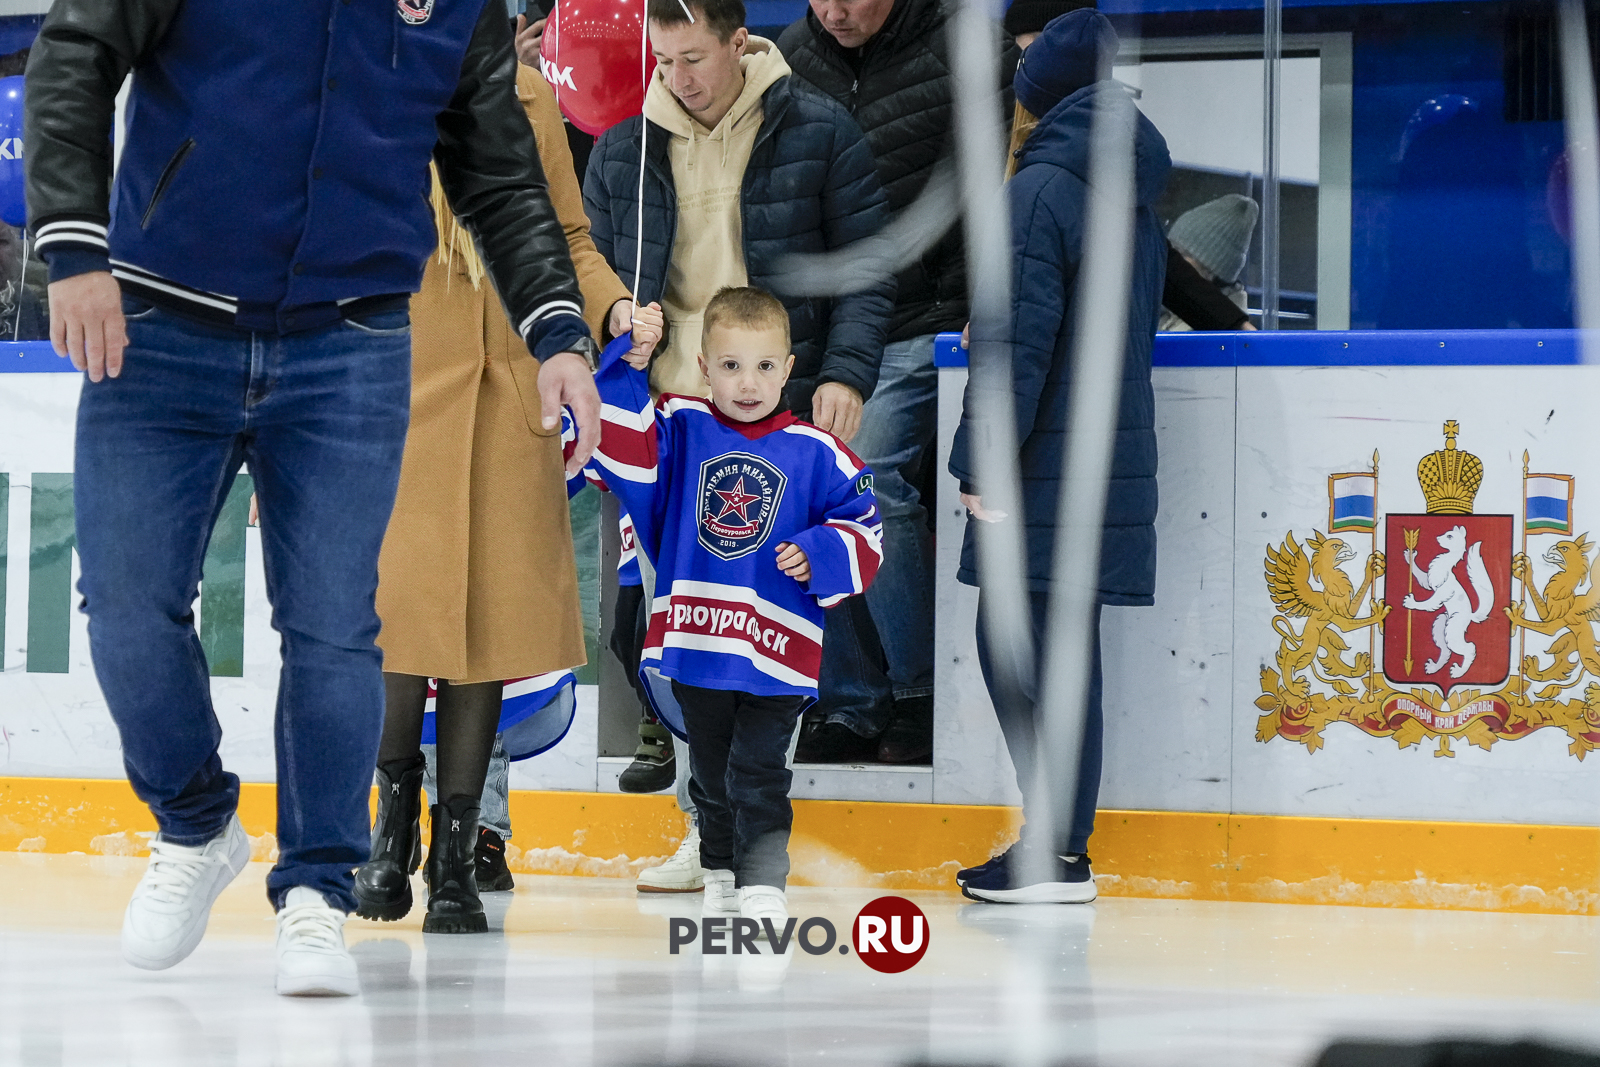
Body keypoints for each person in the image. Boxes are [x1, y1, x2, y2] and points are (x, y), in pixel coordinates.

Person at [26, 0, 600, 995]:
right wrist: (73, 248)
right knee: (123, 605)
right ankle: (198, 822)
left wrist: (555, 329)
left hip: (352, 339)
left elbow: (498, 170)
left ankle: (316, 893)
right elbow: (71, 54)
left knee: (336, 628)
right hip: (161, 322)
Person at [354, 64, 663, 934]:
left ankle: (457, 854)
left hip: (515, 395)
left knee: (486, 634)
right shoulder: (363, 77)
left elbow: (567, 236)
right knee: (398, 622)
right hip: (397, 389)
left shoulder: (528, 95)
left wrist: (609, 312)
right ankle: (390, 833)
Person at [583, 0, 893, 811]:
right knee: (654, 624)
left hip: (771, 420)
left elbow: (866, 267)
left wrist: (847, 373)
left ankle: (731, 813)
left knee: (761, 624)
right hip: (667, 434)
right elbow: (589, 278)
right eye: (663, 59)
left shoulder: (819, 131)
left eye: (694, 58)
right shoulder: (621, 153)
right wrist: (617, 318)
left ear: (739, 42)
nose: (676, 78)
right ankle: (705, 809)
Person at [948, 10, 1169, 904]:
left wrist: (983, 460)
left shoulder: (1040, 190)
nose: (1018, 64)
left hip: (1043, 462)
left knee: (1019, 646)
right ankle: (1061, 849)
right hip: (1104, 457)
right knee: (1060, 650)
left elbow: (1012, 344)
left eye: (1031, 54)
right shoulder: (1133, 184)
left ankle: (1058, 850)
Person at [588, 286, 882, 926]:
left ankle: (762, 884)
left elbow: (867, 528)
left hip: (777, 652)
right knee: (712, 778)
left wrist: (824, 551)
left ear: (789, 367)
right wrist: (628, 366)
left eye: (764, 367)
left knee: (759, 772)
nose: (748, 383)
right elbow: (626, 448)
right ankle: (721, 874)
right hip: (699, 644)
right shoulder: (680, 427)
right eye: (730, 366)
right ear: (702, 366)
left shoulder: (818, 451)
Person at [780, 0, 1018, 765]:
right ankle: (851, 698)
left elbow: (990, 192)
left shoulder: (963, 47)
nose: (834, 11)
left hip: (928, 318)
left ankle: (918, 692)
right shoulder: (792, 53)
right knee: (797, 483)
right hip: (823, 328)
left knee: (869, 471)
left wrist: (982, 301)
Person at [996, 0, 1254, 334]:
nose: (1019, 65)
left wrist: (1228, 319)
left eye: (1025, 51)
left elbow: (1147, 249)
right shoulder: (1062, 144)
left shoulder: (1086, 153)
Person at [1158, 194, 1260, 332]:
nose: (1168, 261)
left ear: (1210, 273)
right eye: (1171, 250)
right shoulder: (1166, 313)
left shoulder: (1206, 335)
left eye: (1181, 254)